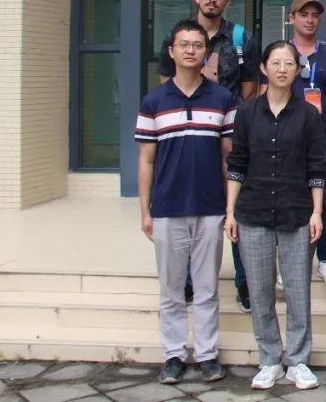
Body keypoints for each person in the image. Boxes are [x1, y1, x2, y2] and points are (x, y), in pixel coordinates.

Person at [137, 19, 235, 385]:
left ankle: (207, 354)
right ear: (172, 51)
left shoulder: (222, 98)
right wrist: (144, 209)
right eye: (184, 44)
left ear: (206, 53)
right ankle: (174, 355)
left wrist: (230, 208)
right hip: (167, 207)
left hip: (210, 207)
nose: (191, 50)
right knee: (172, 289)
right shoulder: (154, 101)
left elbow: (227, 157)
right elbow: (146, 160)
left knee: (207, 289)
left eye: (197, 45)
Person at [224, 41, 326, 391]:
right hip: (252, 213)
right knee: (260, 292)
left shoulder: (309, 115)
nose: (282, 69)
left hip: (297, 213)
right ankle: (269, 359)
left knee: (298, 292)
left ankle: (298, 361)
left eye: (289, 64)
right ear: (263, 68)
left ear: (298, 71)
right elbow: (237, 164)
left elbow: (316, 167)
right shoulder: (246, 113)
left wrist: (317, 211)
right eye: (276, 63)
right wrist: (230, 212)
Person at [157, 0, 259, 311]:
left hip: (230, 136)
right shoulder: (179, 36)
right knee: (189, 204)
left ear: (227, 1)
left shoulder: (241, 40)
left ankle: (244, 281)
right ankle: (187, 280)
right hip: (189, 135)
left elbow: (248, 91)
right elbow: (168, 85)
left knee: (237, 206)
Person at [273, 0, 326, 288]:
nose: (309, 19)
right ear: (291, 18)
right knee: (290, 200)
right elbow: (268, 96)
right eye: (303, 14)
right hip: (287, 141)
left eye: (315, 15)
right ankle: (289, 263)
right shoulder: (281, 53)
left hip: (324, 143)